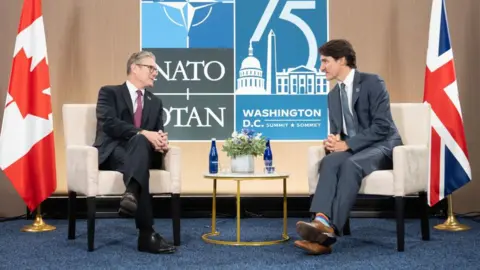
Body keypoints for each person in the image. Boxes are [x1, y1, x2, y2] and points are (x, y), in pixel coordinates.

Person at [294, 39, 402, 255]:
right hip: (356, 149)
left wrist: (347, 144)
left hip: (384, 146)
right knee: (329, 161)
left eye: (325, 61)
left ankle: (330, 231)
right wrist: (333, 143)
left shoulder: (373, 82)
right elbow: (338, 132)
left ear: (342, 60)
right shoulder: (333, 95)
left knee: (351, 165)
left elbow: (382, 126)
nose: (321, 67)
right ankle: (321, 221)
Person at [93, 51, 175, 254]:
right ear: (135, 68)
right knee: (140, 143)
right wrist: (143, 133)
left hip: (144, 155)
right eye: (151, 68)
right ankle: (146, 234)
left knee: (141, 145)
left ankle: (131, 193)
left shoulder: (156, 102)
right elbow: (110, 124)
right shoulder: (109, 93)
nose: (155, 73)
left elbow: (158, 131)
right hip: (115, 152)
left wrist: (161, 142)